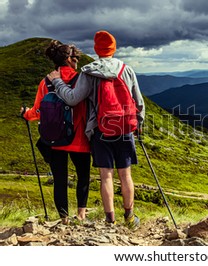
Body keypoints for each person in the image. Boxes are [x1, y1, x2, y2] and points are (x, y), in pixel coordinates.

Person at [47, 30, 145, 228]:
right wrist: (138, 125)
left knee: (106, 176)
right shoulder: (126, 69)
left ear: (96, 49)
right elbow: (139, 102)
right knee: (126, 175)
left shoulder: (88, 71)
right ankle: (130, 218)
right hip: (124, 128)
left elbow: (73, 98)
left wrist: (57, 81)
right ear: (113, 48)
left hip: (101, 129)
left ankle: (110, 220)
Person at [21, 40, 91, 224]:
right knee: (83, 176)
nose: (77, 62)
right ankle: (81, 216)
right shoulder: (80, 80)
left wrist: (25, 114)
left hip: (55, 139)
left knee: (60, 179)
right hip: (79, 137)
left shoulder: (45, 82)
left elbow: (37, 111)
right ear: (68, 59)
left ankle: (64, 219)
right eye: (75, 58)